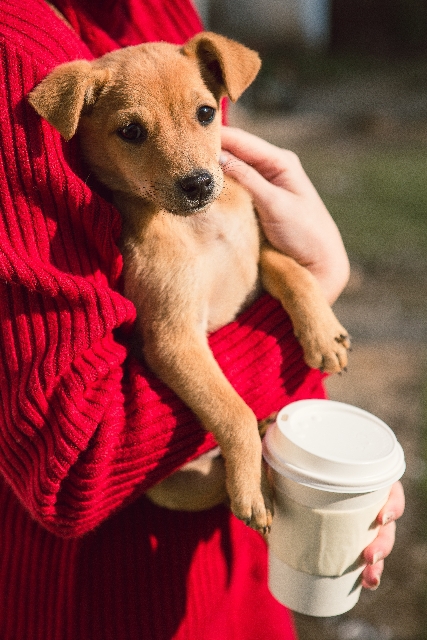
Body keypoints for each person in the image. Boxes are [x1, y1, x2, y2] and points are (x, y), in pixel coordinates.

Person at [0, 1, 404, 639]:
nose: (189, 164)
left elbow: (262, 273)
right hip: (114, 592)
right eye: (134, 133)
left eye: (205, 115)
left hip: (231, 581)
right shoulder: (25, 64)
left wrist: (314, 444)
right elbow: (75, 458)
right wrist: (320, 286)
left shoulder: (159, 15)